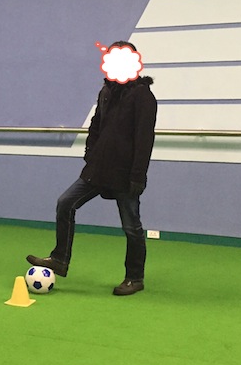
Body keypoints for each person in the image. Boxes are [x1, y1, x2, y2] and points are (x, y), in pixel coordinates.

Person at [26, 41, 157, 296]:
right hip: (97, 169)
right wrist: (90, 154)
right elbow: (96, 125)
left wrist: (138, 176)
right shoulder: (106, 91)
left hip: (126, 174)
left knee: (132, 227)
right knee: (65, 203)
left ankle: (134, 278)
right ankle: (59, 259)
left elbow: (144, 140)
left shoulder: (143, 96)